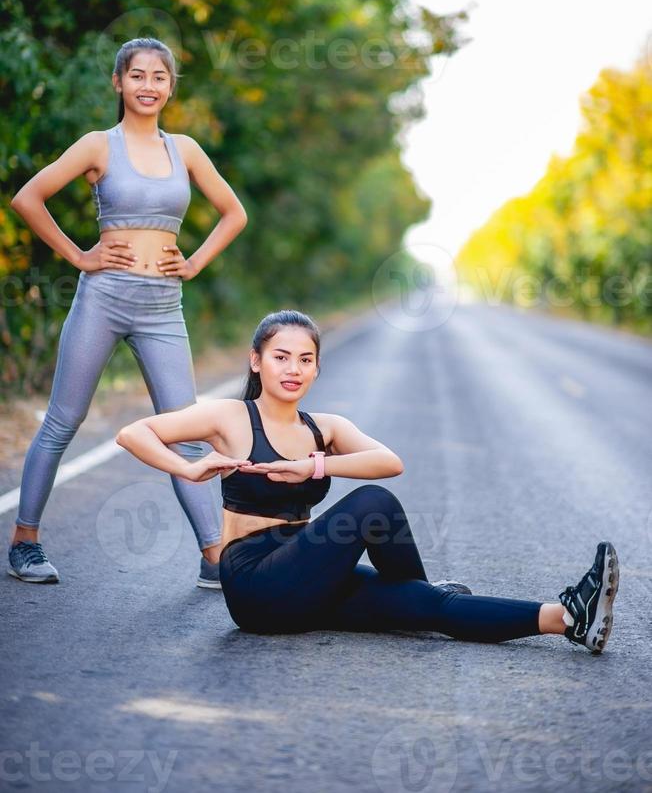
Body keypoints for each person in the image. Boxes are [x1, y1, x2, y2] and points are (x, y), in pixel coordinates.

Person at [115, 309, 619, 653]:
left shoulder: (323, 428)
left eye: (305, 359)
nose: (293, 368)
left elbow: (389, 459)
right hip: (256, 582)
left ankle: (568, 619)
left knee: (431, 606)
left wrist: (315, 466)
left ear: (316, 368)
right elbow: (133, 432)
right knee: (371, 504)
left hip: (310, 572)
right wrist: (188, 467)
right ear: (257, 361)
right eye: (281, 356)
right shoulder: (229, 416)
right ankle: (423, 589)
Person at [7, 37, 247, 588]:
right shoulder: (99, 146)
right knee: (63, 421)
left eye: (159, 77)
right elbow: (27, 198)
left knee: (186, 434)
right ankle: (25, 541)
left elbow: (233, 214)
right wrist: (81, 256)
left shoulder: (183, 149)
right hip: (105, 298)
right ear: (119, 83)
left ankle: (215, 558)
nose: (148, 86)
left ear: (170, 87)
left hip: (164, 308)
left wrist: (196, 263)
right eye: (137, 76)